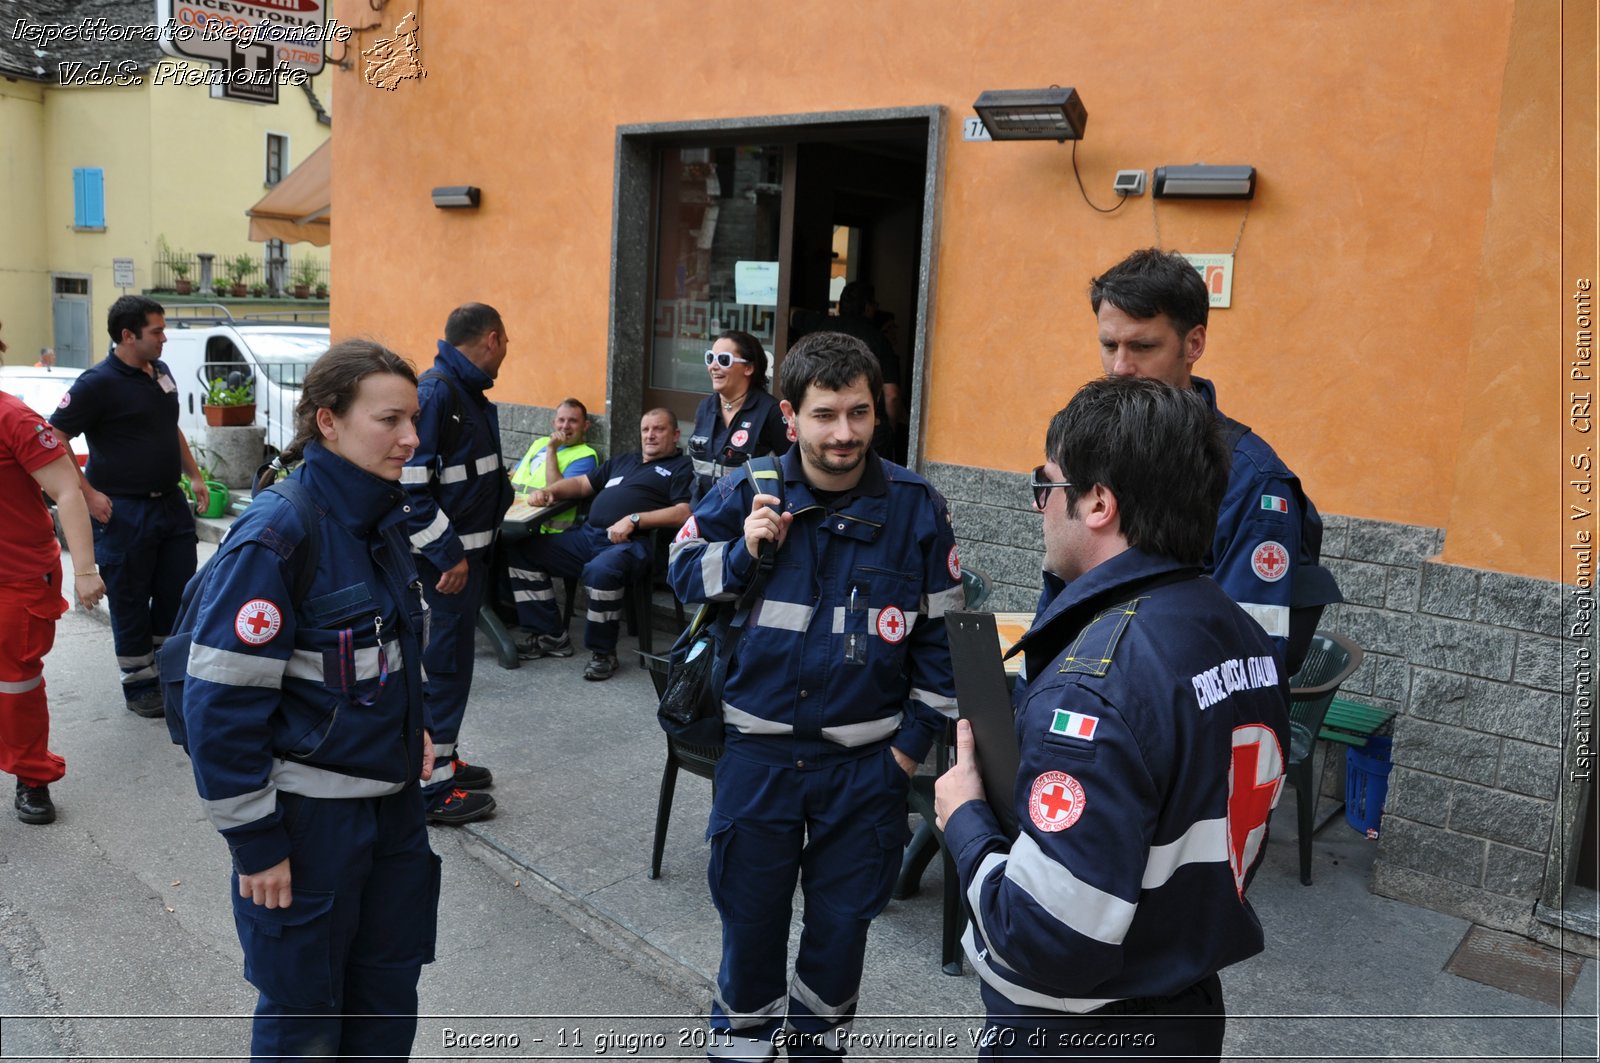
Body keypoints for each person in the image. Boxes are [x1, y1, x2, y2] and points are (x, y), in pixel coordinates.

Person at [934, 377, 1291, 1060]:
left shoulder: (1094, 687)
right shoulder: (1237, 630)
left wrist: (966, 818)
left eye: (1046, 484)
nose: (1041, 505)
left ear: (1098, 500)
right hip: (1185, 1010)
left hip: (1083, 1032)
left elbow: (1049, 936)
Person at [668, 331, 962, 1061]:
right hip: (758, 766)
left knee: (839, 936)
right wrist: (741, 551)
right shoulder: (748, 487)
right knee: (750, 929)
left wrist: (905, 753)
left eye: (859, 412)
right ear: (791, 416)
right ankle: (739, 1049)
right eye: (826, 414)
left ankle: (815, 1052)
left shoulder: (917, 508)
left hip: (864, 774)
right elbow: (677, 569)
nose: (845, 432)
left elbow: (945, 645)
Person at [178, 340, 439, 1061]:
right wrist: (257, 844)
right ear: (328, 420)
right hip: (309, 827)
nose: (411, 438)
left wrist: (412, 730)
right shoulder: (278, 533)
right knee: (306, 1020)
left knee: (385, 1002)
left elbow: (379, 651)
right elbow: (220, 706)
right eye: (391, 420)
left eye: (413, 419)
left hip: (391, 810)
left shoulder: (379, 518)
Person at [1089, 248, 1340, 674]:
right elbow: (1061, 595)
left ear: (1194, 344)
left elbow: (1250, 656)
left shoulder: (1253, 481)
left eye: (1143, 346)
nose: (1120, 367)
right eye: (1109, 345)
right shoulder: (1090, 448)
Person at [49, 295, 207, 718]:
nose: (164, 337)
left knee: (177, 591)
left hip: (170, 505)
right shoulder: (96, 383)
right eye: (156, 331)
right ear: (127, 335)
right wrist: (87, 492)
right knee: (131, 597)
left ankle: (167, 671)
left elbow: (167, 425)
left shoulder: (161, 372)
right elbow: (56, 436)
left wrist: (193, 474)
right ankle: (140, 685)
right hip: (122, 511)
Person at [400, 303, 514, 826]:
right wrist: (450, 555)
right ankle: (433, 787)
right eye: (506, 341)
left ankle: (444, 757)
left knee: (454, 671)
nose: (507, 351)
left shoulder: (463, 391)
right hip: (445, 570)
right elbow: (410, 491)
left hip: (467, 564)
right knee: (441, 672)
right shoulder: (437, 393)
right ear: (490, 339)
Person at [511, 408, 692, 680]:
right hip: (589, 536)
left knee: (601, 570)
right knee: (522, 550)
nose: (650, 435)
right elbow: (582, 484)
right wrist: (550, 491)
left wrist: (634, 519)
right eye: (646, 429)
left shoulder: (681, 467)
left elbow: (684, 512)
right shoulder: (623, 462)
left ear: (676, 434)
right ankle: (550, 636)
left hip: (633, 543)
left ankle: (603, 653)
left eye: (659, 429)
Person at [1, 360, 105, 824]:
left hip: (17, 577)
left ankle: (32, 776)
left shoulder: (15, 419)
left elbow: (67, 491)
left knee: (16, 681)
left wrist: (85, 570)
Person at [687, 330, 789, 501]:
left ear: (748, 368)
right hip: (704, 514)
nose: (713, 366)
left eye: (724, 360)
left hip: (749, 519)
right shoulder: (705, 407)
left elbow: (793, 468)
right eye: (710, 358)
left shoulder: (771, 412)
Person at [507, 397, 598, 533]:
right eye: (561, 420)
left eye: (573, 421)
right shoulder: (540, 443)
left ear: (585, 426)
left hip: (542, 526)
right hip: (512, 514)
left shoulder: (585, 456)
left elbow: (558, 490)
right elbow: (514, 474)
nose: (565, 426)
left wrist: (551, 449)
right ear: (554, 423)